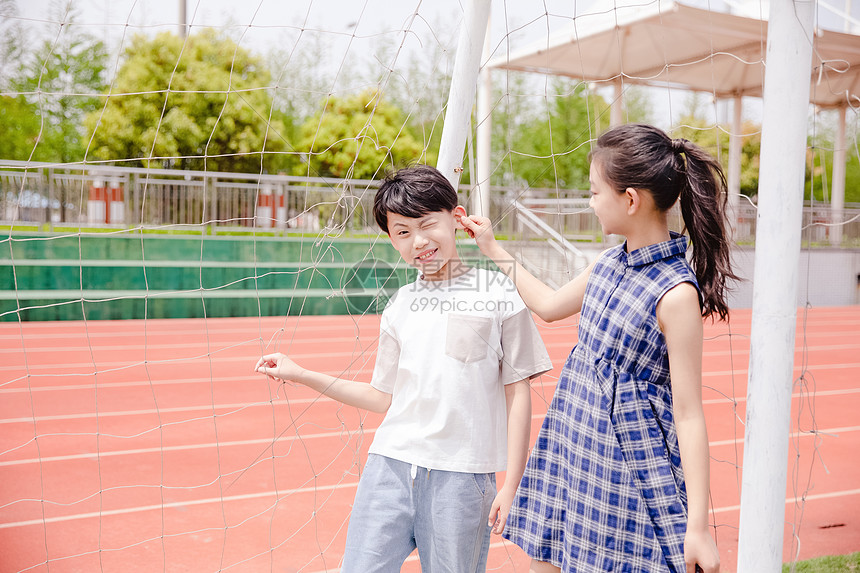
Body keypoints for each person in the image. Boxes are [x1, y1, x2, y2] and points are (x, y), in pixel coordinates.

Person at [460, 124, 735, 573]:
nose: (589, 202)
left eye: (593, 192)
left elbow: (688, 412)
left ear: (630, 200)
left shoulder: (676, 293)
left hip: (626, 466)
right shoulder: (607, 263)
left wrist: (698, 527)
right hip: (573, 441)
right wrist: (492, 248)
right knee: (545, 559)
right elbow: (548, 307)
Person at [254, 164, 552, 572]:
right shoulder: (400, 305)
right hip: (389, 467)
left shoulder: (499, 291)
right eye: (403, 232)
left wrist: (511, 484)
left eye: (428, 224)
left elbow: (519, 394)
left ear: (457, 217)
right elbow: (382, 398)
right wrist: (300, 372)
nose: (419, 241)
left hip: (462, 478)